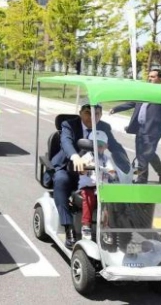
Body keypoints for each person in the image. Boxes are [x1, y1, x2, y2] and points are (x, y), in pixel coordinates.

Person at [51, 100, 129, 249]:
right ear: (80, 113)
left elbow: (115, 146)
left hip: (96, 172)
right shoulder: (69, 125)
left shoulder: (104, 127)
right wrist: (75, 157)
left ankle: (112, 227)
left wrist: (125, 161)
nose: (92, 117)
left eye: (97, 113)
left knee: (116, 185)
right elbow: (66, 142)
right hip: (71, 167)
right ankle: (69, 228)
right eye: (88, 113)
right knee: (61, 180)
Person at [109, 68, 161, 183]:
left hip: (153, 129)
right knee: (145, 154)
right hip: (140, 128)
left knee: (145, 155)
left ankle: (142, 180)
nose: (150, 78)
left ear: (160, 78)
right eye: (149, 76)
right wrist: (116, 109)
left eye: (153, 77)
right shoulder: (144, 90)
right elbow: (132, 102)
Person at [77, 131, 119, 240]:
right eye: (96, 145)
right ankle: (86, 226)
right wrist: (85, 168)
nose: (99, 148)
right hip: (88, 187)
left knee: (109, 202)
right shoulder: (87, 157)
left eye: (101, 146)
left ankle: (106, 227)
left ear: (106, 147)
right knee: (88, 198)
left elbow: (112, 170)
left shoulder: (106, 159)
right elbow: (81, 169)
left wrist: (113, 173)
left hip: (102, 188)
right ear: (90, 146)